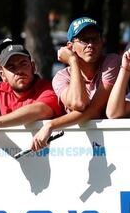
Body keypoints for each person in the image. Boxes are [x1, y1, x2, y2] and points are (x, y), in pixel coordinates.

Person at [31, 17, 119, 150]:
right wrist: (73, 61)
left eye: (95, 39)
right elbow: (78, 103)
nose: (90, 44)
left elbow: (93, 110)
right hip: (77, 149)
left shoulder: (112, 62)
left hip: (116, 145)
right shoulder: (61, 77)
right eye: (84, 39)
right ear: (70, 46)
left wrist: (51, 125)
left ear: (101, 42)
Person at [0, 43, 62, 160]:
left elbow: (40, 110)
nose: (19, 71)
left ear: (33, 66)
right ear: (2, 75)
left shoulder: (48, 88)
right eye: (11, 67)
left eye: (23, 64)